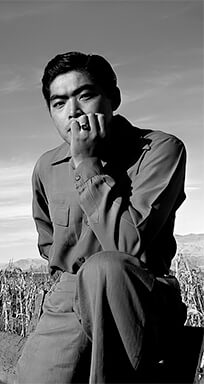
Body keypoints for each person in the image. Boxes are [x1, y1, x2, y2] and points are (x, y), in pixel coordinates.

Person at [15, 51, 187, 383]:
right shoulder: (46, 167)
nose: (74, 112)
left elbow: (130, 244)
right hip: (69, 297)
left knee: (105, 266)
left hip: (139, 297)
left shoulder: (160, 149)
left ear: (114, 98)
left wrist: (87, 164)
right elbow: (49, 242)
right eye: (59, 103)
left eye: (86, 95)